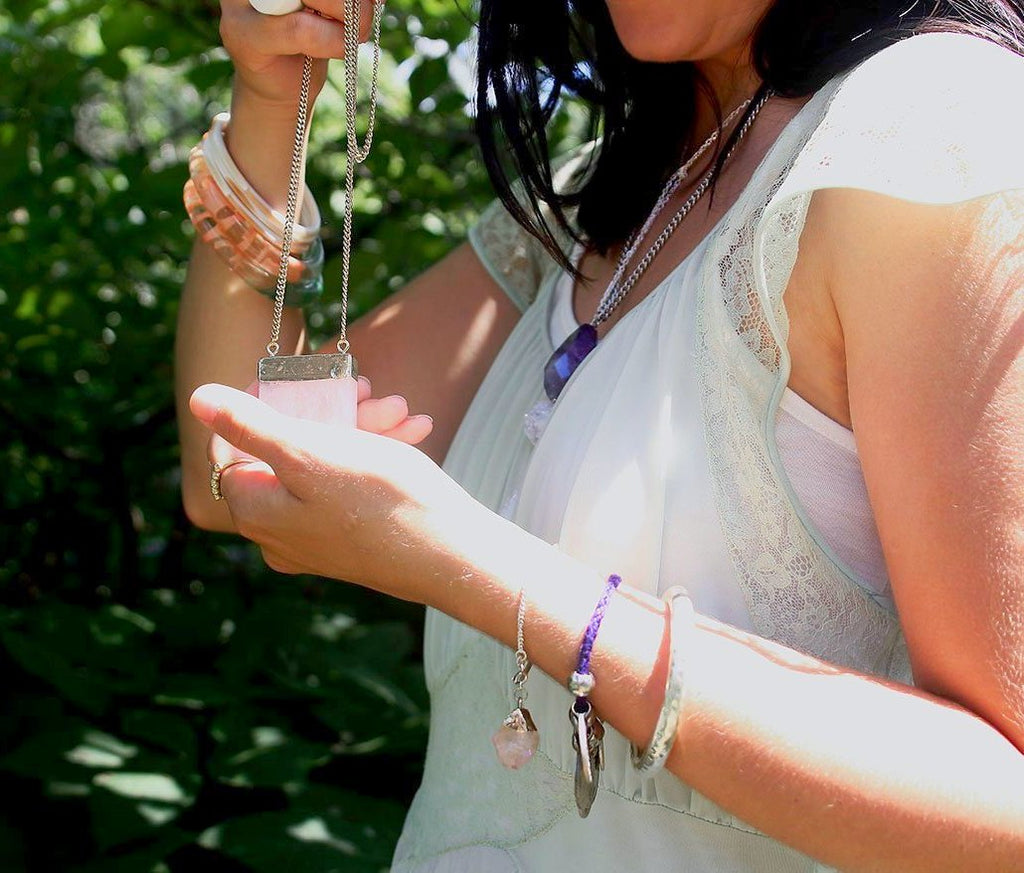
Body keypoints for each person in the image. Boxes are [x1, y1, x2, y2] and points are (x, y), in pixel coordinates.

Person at [176, 1, 1024, 870]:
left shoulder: (930, 127)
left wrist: (466, 566)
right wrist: (272, 100)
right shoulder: (601, 199)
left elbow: (1007, 799)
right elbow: (237, 470)